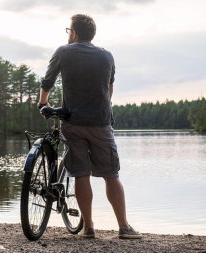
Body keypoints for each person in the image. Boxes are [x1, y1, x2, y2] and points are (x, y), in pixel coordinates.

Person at [37, 14, 143, 239]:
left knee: (81, 174)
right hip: (101, 123)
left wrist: (43, 103)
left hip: (73, 122)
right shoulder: (107, 56)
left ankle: (89, 228)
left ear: (73, 33)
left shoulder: (63, 52)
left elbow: (47, 81)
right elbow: (109, 89)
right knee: (111, 175)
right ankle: (124, 227)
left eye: (69, 31)